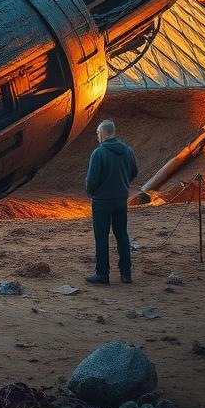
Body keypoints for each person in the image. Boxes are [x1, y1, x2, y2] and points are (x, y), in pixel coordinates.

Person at [83, 119, 138, 286]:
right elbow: (134, 172)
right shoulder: (127, 151)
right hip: (121, 199)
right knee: (122, 234)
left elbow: (92, 180)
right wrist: (123, 184)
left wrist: (92, 193)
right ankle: (126, 274)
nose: (97, 136)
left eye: (97, 133)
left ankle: (102, 274)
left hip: (102, 201)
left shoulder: (98, 153)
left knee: (101, 236)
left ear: (102, 133)